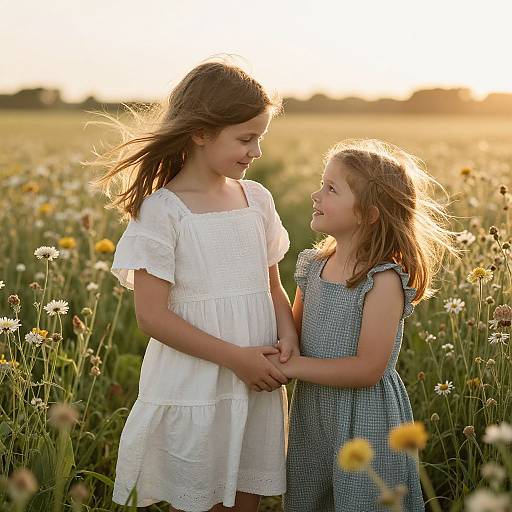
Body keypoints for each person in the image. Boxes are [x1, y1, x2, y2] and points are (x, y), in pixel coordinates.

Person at [90, 59, 298, 512]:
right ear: (201, 132)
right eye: (246, 138)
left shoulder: (256, 199)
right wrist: (236, 358)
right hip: (197, 384)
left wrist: (287, 338)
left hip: (257, 382)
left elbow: (273, 288)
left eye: (259, 138)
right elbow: (152, 317)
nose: (256, 151)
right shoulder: (162, 211)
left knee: (248, 497)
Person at [267, 139, 458, 511]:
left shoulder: (382, 279)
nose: (315, 195)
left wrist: (291, 367)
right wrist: (282, 349)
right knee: (311, 498)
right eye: (321, 185)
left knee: (365, 500)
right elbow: (293, 331)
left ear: (369, 214)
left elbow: (368, 368)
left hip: (365, 417)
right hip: (313, 413)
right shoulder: (313, 266)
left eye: (331, 189)